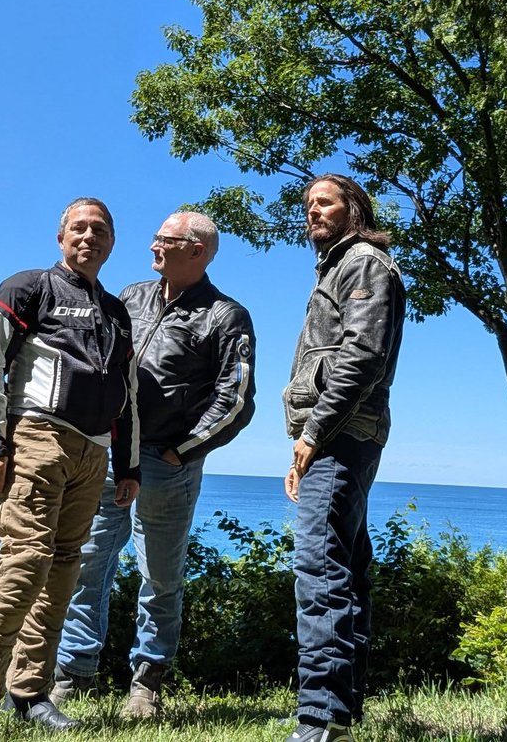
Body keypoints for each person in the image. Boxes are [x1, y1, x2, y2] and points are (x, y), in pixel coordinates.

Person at [0, 198, 140, 742]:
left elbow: (126, 394)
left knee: (62, 571)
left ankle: (30, 691)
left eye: (100, 229)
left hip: (92, 452)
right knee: (25, 562)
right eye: (79, 228)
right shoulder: (28, 286)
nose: (89, 236)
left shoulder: (116, 311)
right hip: (36, 438)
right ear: (61, 238)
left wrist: (126, 463)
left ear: (111, 242)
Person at [53, 211, 256, 719]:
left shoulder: (225, 315)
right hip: (112, 452)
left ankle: (145, 684)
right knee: (88, 562)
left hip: (169, 463)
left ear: (197, 251)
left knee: (160, 575)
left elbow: (236, 397)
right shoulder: (133, 296)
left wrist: (181, 450)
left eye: (164, 239)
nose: (153, 246)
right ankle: (72, 674)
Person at [282, 175, 405, 742]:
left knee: (318, 567)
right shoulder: (337, 268)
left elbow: (361, 359)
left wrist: (312, 434)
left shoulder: (364, 263)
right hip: (341, 432)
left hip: (341, 433)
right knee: (347, 568)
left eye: (324, 202)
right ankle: (341, 712)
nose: (313, 211)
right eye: (308, 205)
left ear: (353, 208)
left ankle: (319, 718)